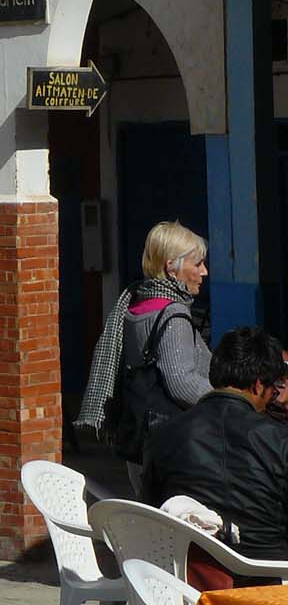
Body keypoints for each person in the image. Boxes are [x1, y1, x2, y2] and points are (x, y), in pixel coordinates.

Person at [77, 220, 212, 488]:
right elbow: (182, 383)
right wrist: (225, 402)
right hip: (173, 444)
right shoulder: (172, 315)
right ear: (172, 267)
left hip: (143, 437)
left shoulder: (136, 305)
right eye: (197, 264)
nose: (204, 272)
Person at [144, 326, 288, 564]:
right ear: (258, 385)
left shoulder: (164, 434)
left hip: (188, 576)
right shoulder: (279, 440)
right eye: (273, 392)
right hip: (268, 576)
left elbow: (153, 509)